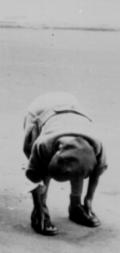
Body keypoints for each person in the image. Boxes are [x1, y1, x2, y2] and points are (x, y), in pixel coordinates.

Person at [23, 92, 107, 236]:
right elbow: (34, 175)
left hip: (71, 107)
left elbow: (96, 174)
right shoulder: (43, 144)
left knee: (76, 163)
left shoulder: (97, 147)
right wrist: (39, 206)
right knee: (43, 169)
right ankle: (40, 212)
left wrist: (88, 200)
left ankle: (76, 207)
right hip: (40, 110)